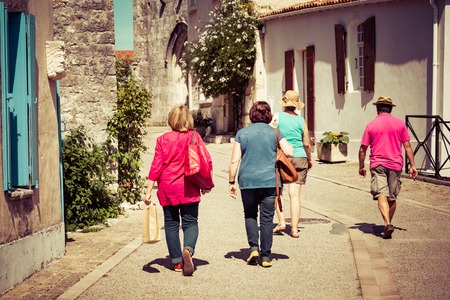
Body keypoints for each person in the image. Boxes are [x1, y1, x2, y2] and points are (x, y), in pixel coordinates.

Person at [144, 104, 212, 276]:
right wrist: (205, 183)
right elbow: (205, 160)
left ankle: (176, 262)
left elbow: (156, 167)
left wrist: (148, 190)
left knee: (171, 225)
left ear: (171, 119)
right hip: (189, 186)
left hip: (168, 188)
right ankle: (188, 249)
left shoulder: (163, 139)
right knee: (190, 223)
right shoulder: (195, 136)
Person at [228, 101, 294, 267]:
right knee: (266, 219)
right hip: (269, 182)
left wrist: (231, 181)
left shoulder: (242, 133)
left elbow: (235, 160)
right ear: (268, 115)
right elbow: (289, 152)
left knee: (250, 214)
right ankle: (265, 256)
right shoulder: (275, 132)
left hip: (247, 182)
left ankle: (253, 248)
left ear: (251, 115)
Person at [358, 96, 418, 239]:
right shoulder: (400, 124)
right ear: (390, 109)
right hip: (395, 164)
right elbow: (407, 146)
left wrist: (361, 166)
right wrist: (412, 165)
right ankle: (388, 223)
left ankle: (387, 224)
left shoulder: (371, 125)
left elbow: (362, 149)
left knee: (381, 194)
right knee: (392, 197)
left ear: (377, 109)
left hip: (378, 164)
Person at [271, 90, 313, 238]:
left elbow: (271, 133)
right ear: (296, 105)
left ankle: (282, 222)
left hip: (283, 157)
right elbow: (306, 143)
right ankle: (294, 229)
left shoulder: (277, 116)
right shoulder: (301, 120)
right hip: (300, 156)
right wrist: (309, 159)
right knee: (295, 195)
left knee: (278, 191)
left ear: (284, 103)